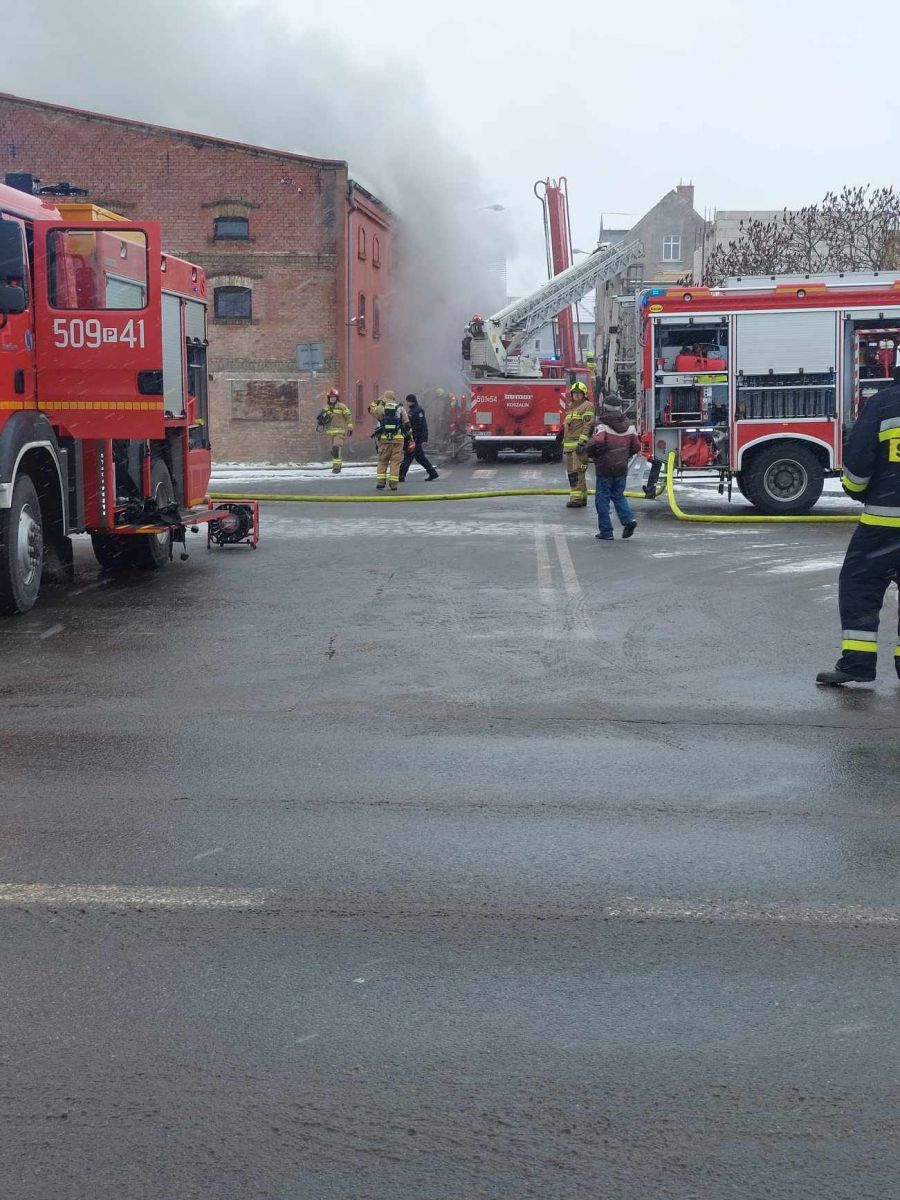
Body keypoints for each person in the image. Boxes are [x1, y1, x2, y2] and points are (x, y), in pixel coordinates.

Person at [816, 372, 900, 686]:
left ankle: (858, 664)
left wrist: (863, 492)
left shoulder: (883, 403)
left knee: (859, 586)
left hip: (883, 525)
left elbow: (857, 466)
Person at [584, 394, 640, 540]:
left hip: (605, 468)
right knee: (618, 495)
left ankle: (606, 532)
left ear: (605, 408)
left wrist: (589, 452)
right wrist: (624, 456)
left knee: (602, 499)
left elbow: (597, 442)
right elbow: (636, 446)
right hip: (621, 467)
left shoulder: (603, 426)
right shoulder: (630, 426)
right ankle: (628, 520)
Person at [368, 390, 412, 491]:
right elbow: (407, 424)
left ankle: (381, 483)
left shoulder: (380, 408)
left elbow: (370, 409)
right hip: (398, 439)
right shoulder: (400, 408)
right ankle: (393, 484)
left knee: (383, 461)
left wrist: (377, 400)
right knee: (395, 462)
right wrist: (410, 437)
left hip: (384, 439)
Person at [562, 381, 595, 508]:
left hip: (578, 447)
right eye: (574, 393)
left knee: (577, 472)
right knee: (573, 473)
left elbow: (588, 425)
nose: (576, 396)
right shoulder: (573, 407)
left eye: (578, 394)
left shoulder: (587, 406)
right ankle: (582, 497)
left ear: (584, 394)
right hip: (570, 447)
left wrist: (582, 443)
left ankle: (576, 499)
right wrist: (560, 437)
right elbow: (569, 426)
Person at [398, 394, 439, 482]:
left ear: (411, 401)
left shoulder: (417, 411)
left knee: (408, 457)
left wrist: (423, 438)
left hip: (415, 439)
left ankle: (401, 476)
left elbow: (422, 425)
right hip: (414, 438)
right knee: (420, 458)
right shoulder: (412, 410)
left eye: (407, 401)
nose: (407, 403)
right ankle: (433, 473)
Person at [316, 388, 353, 474]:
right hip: (330, 433)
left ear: (337, 398)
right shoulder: (326, 408)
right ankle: (336, 466)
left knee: (336, 448)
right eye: (331, 397)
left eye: (334, 397)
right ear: (328, 398)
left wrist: (350, 428)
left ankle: (337, 467)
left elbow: (348, 417)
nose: (332, 399)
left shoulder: (342, 407)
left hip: (340, 432)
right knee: (333, 451)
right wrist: (320, 424)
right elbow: (322, 419)